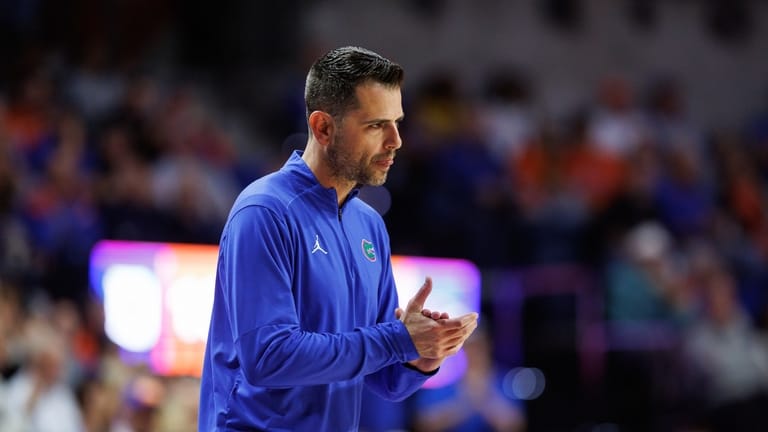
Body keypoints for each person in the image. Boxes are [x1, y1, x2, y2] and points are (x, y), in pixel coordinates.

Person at [198, 46, 479, 431]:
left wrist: (421, 354)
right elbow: (267, 358)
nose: (396, 140)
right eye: (376, 125)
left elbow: (382, 376)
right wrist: (397, 340)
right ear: (323, 128)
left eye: (397, 122)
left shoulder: (369, 224)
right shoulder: (264, 212)